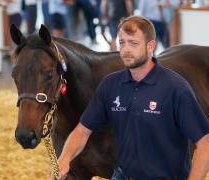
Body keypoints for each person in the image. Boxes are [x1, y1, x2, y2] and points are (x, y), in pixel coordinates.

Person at [55, 15, 209, 180]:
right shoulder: (110, 85)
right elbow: (82, 130)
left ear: (150, 46)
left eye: (133, 43)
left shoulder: (175, 87)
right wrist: (65, 159)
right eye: (122, 42)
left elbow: (205, 143)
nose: (126, 49)